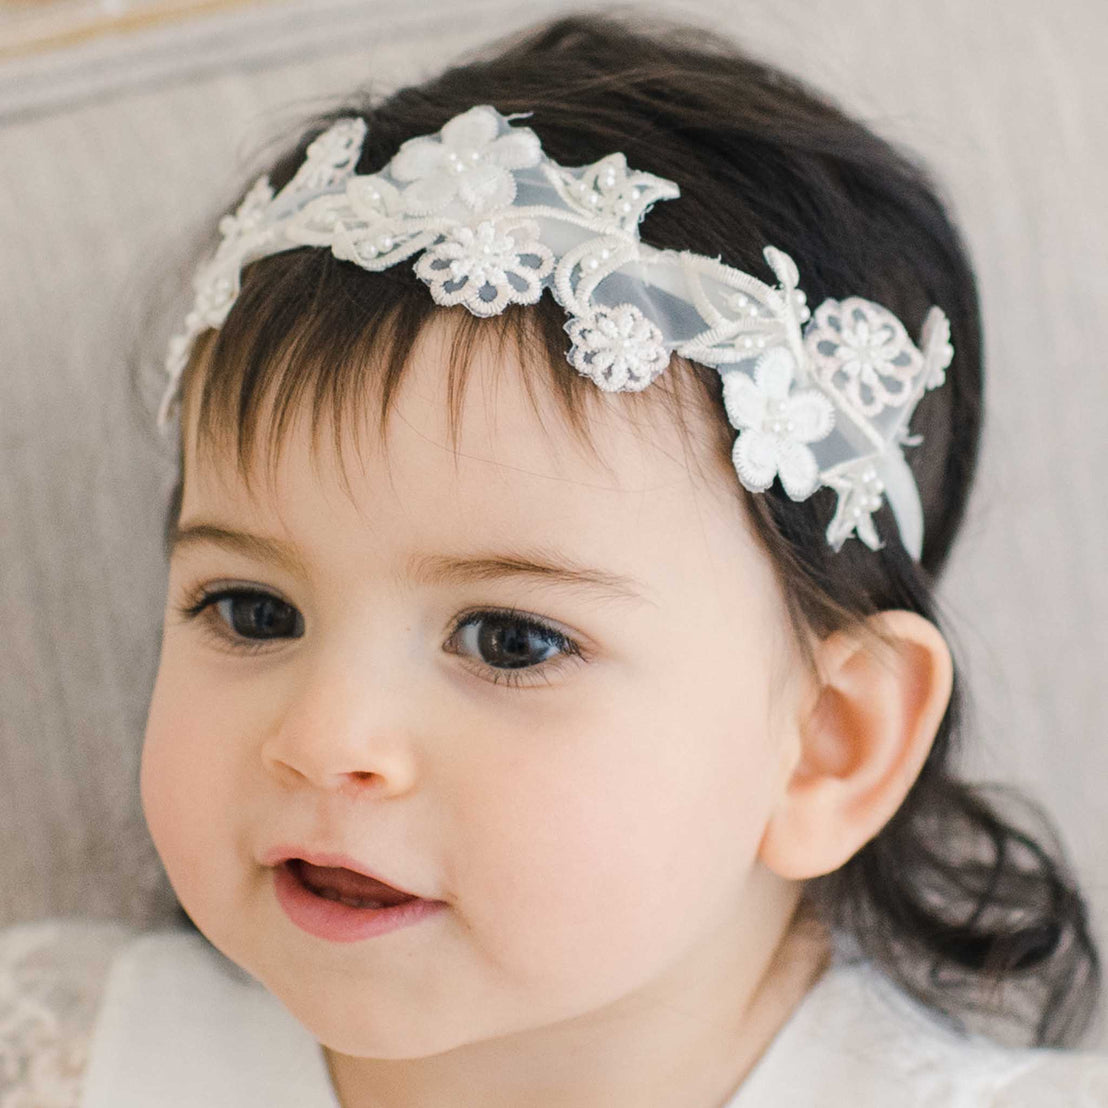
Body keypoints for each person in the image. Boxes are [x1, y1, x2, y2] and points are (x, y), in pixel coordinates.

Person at [3, 10, 1106, 1107]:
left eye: (510, 639)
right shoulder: (69, 1057)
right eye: (250, 610)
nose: (324, 739)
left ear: (827, 741)